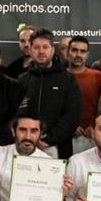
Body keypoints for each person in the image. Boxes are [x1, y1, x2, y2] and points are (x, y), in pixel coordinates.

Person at [19, 29, 81, 158]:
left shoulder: (67, 79)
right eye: (36, 47)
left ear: (52, 50)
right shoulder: (22, 80)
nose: (41, 51)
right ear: (30, 50)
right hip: (26, 147)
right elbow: (16, 115)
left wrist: (50, 139)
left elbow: (72, 115)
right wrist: (30, 138)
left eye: (45, 47)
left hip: (58, 148)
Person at [66, 35, 101, 153]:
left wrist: (94, 125)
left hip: (92, 136)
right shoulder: (58, 76)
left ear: (87, 54)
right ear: (68, 52)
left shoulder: (97, 77)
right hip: (66, 136)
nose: (78, 55)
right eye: (74, 50)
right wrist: (69, 126)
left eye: (82, 51)